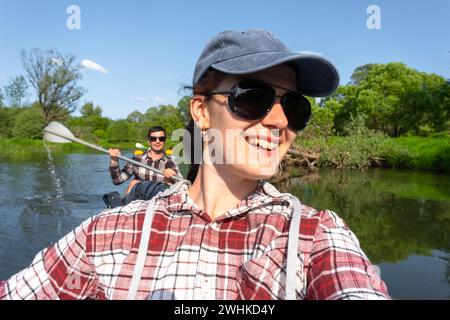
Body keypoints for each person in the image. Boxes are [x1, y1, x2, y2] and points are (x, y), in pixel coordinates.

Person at [0, 29, 390, 300]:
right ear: (201, 111)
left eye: (294, 106)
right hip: (146, 188)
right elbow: (122, 179)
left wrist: (170, 175)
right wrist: (120, 164)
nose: (279, 121)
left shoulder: (316, 235)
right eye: (253, 98)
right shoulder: (104, 234)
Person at [108, 125, 182, 194]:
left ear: (164, 141)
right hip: (140, 200)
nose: (157, 141)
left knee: (169, 183)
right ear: (149, 141)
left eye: (161, 138)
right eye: (153, 138)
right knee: (134, 183)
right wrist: (114, 160)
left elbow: (183, 184)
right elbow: (117, 180)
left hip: (160, 200)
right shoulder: (137, 159)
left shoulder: (171, 162)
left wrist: (174, 176)